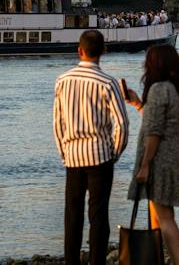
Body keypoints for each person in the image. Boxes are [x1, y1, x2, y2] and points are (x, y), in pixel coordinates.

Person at [53, 29, 129, 265]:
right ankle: (97, 261)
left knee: (72, 215)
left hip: (73, 156)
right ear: (103, 51)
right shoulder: (108, 83)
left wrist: (64, 152)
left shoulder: (63, 81)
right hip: (100, 155)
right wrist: (114, 152)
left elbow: (58, 123)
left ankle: (71, 261)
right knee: (98, 215)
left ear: (79, 50)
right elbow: (122, 124)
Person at [123, 44, 179, 265]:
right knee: (159, 215)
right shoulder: (178, 90)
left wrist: (145, 164)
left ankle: (178, 262)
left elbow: (154, 132)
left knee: (165, 218)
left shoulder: (157, 89)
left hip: (160, 159)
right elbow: (163, 123)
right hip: (176, 155)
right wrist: (137, 103)